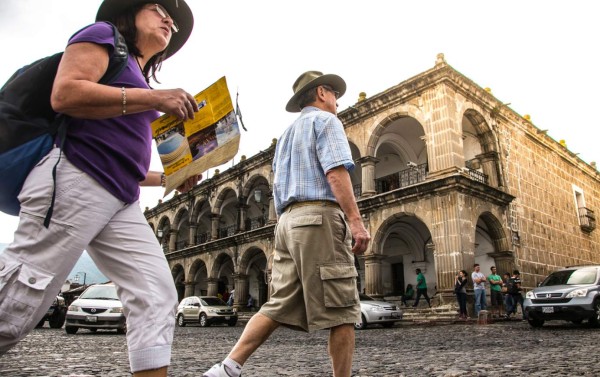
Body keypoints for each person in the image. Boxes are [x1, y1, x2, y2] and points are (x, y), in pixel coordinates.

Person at [0, 2, 199, 376]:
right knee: (20, 298)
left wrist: (171, 178)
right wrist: (156, 98)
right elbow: (66, 94)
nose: (169, 19)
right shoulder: (104, 37)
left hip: (121, 199)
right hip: (77, 176)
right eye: (159, 8)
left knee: (156, 295)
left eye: (172, 18)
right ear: (129, 12)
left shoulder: (139, 78)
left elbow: (124, 162)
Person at [202, 71, 371, 377]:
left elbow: (276, 186)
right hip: (318, 218)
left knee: (278, 304)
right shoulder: (327, 121)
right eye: (334, 93)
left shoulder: (287, 136)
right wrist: (356, 222)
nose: (337, 100)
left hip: (286, 223)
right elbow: (335, 172)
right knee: (343, 310)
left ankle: (227, 368)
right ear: (321, 92)